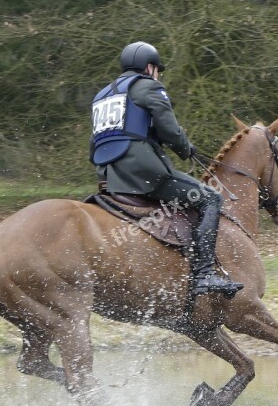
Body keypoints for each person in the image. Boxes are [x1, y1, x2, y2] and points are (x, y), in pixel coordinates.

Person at [90, 41, 243, 298]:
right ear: (149, 68)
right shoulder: (148, 86)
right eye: (157, 69)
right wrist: (186, 149)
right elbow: (169, 130)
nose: (158, 73)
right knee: (210, 198)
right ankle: (204, 274)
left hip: (109, 175)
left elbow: (95, 143)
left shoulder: (102, 96)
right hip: (143, 172)